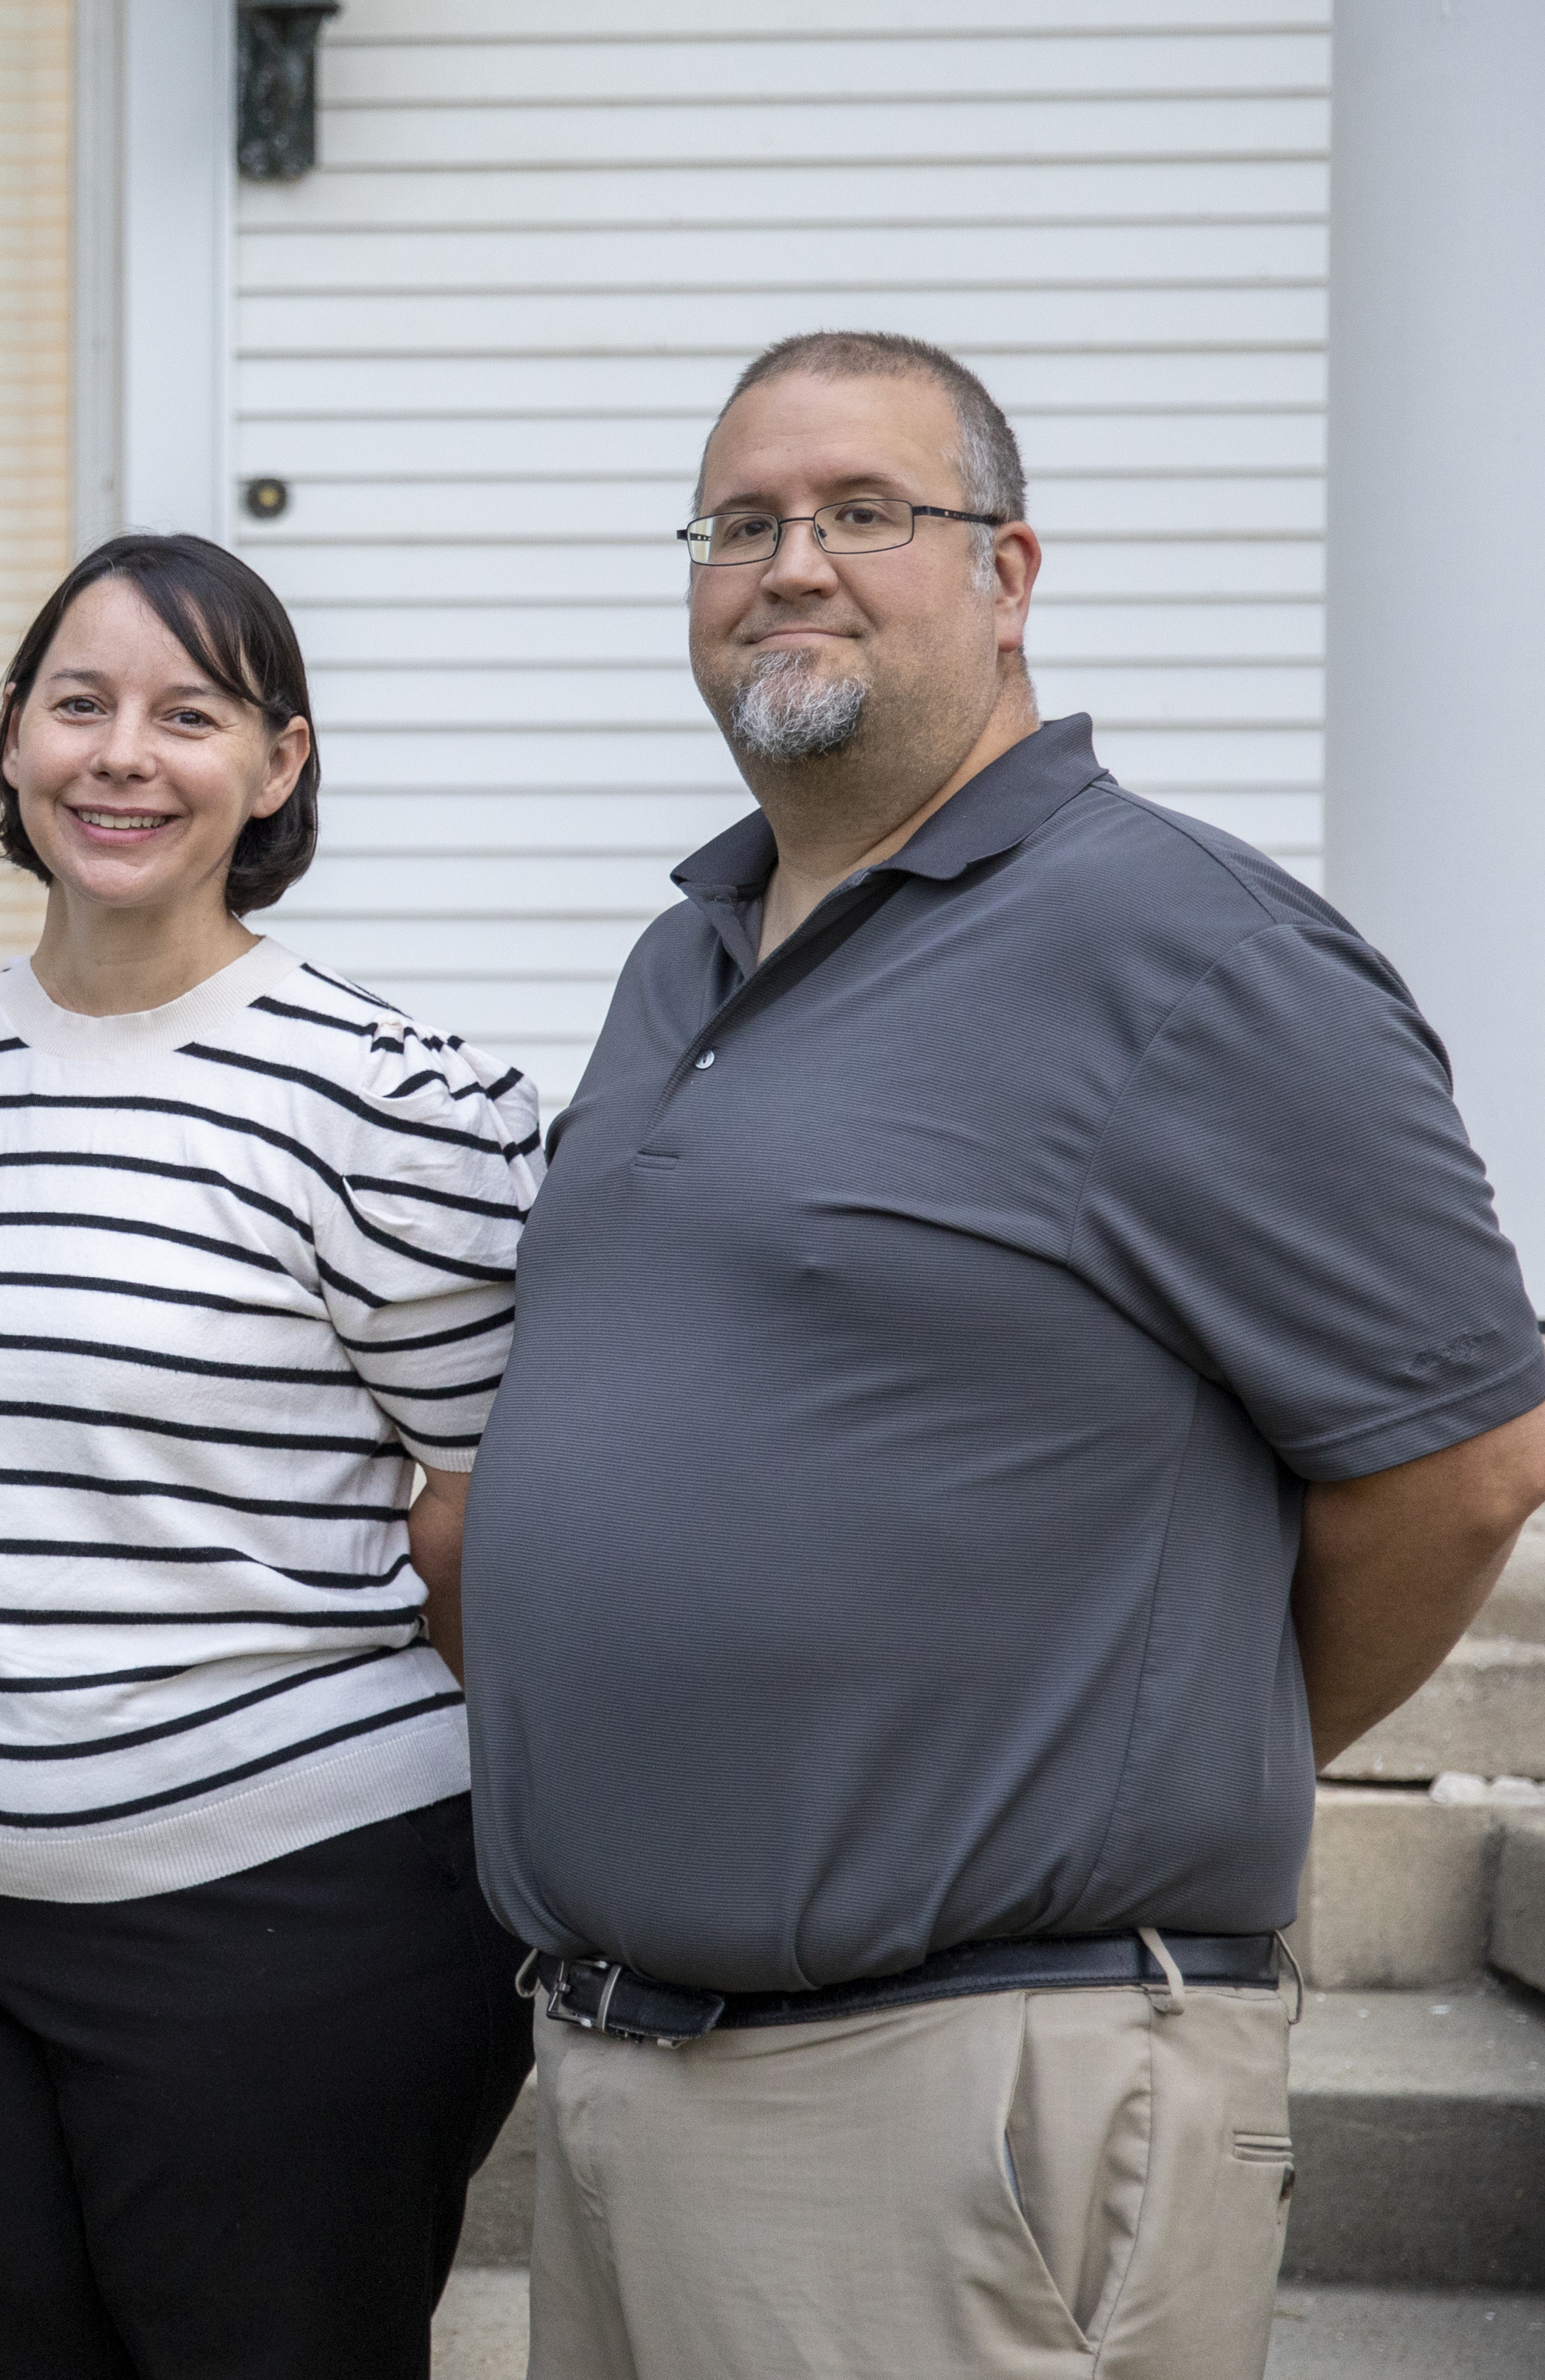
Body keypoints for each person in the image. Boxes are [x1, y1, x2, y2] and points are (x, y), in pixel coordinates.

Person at [461, 330, 1545, 2380]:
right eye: (741, 523)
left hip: (961, 2086)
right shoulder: (684, 952)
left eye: (864, 513)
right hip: (626, 2075)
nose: (789, 562)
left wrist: (1160, 1747)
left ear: (1008, 570)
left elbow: (1464, 1462)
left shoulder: (1191, 954)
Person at [0, 534, 538, 2379]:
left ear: (275, 767)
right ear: (13, 743)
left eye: (186, 715)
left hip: (294, 1933)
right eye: (77, 704)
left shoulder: (398, 1107)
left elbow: (476, 1518)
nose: (122, 755)